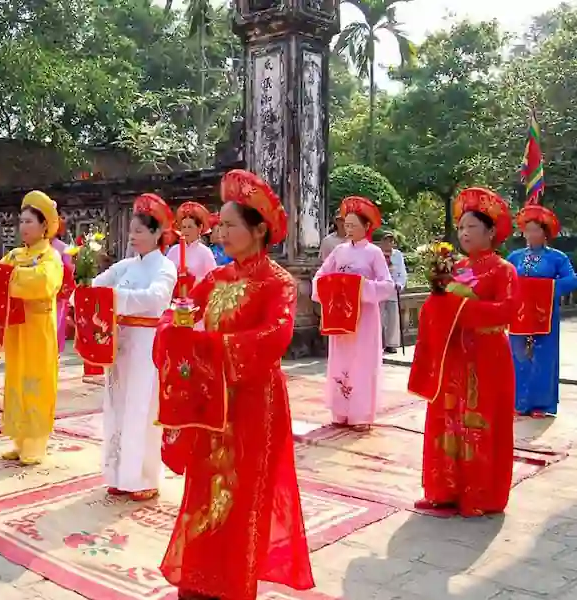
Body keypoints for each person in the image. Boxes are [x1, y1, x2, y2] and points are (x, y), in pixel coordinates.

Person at [156, 169, 313, 599]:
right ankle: (199, 576)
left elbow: (274, 337)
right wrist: (175, 327)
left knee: (242, 495)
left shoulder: (277, 283)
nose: (219, 232)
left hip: (252, 403)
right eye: (219, 224)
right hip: (212, 403)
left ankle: (232, 585)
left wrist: (208, 347)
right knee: (207, 488)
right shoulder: (217, 278)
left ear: (259, 229)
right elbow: (180, 310)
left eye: (229, 225)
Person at [408, 187, 518, 517]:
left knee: (479, 420)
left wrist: (461, 309)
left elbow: (508, 310)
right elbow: (432, 310)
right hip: (452, 358)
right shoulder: (453, 269)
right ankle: (444, 489)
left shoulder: (503, 270)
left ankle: (480, 494)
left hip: (486, 357)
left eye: (472, 227)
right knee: (448, 419)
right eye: (461, 228)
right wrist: (440, 302)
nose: (465, 233)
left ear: (490, 232)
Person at [91, 193, 177, 501]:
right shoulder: (126, 266)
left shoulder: (165, 267)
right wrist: (105, 297)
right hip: (120, 342)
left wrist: (116, 299)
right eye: (132, 230)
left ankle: (142, 478)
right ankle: (117, 473)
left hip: (145, 344)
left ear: (157, 233)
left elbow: (156, 299)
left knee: (142, 406)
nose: (134, 236)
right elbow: (96, 285)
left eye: (141, 230)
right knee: (117, 405)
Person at [312, 196, 395, 431]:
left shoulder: (374, 253)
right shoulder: (338, 251)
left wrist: (360, 287)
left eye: (353, 225)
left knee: (362, 363)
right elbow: (320, 277)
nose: (348, 229)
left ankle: (360, 415)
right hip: (340, 317)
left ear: (367, 227)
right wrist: (333, 286)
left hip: (364, 318)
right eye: (346, 225)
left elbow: (386, 285)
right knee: (340, 361)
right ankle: (340, 411)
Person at [0, 191, 64, 465]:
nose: (23, 227)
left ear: (44, 226)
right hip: (16, 329)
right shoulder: (14, 255)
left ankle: (36, 442)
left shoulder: (51, 257)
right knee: (16, 379)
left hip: (38, 329)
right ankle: (19, 438)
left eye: (29, 222)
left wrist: (11, 277)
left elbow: (44, 283)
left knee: (37, 381)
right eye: (21, 221)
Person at [507, 204, 577, 417]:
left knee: (542, 358)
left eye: (535, 230)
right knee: (518, 357)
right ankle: (520, 402)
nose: (530, 234)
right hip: (518, 316)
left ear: (545, 233)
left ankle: (540, 405)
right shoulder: (515, 256)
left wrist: (546, 289)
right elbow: (504, 278)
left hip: (544, 315)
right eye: (527, 230)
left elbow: (572, 280)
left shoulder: (557, 257)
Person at [166, 201, 217, 294]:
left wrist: (193, 280)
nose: (186, 230)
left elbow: (212, 280)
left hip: (197, 298)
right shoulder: (173, 250)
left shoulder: (205, 252)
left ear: (200, 228)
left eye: (190, 227)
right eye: (184, 227)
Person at [379, 231, 407, 353]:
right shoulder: (377, 254)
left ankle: (391, 343)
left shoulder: (398, 255)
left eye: (391, 241)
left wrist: (400, 284)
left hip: (393, 289)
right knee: (379, 317)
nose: (388, 243)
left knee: (393, 317)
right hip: (380, 288)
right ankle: (378, 342)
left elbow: (402, 271)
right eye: (386, 240)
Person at [50, 216, 73, 354]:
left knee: (57, 322)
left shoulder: (64, 248)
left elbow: (69, 269)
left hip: (58, 289)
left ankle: (55, 352)